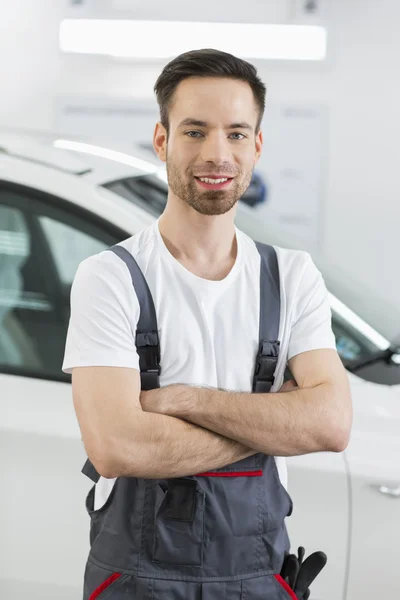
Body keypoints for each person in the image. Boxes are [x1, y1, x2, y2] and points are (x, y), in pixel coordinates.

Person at [62, 48, 352, 600]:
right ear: (162, 139)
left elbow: (331, 426)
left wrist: (186, 401)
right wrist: (274, 424)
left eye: (237, 134)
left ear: (258, 146)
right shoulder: (110, 278)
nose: (217, 154)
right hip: (136, 583)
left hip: (259, 580)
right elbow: (117, 446)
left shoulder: (292, 276)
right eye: (195, 131)